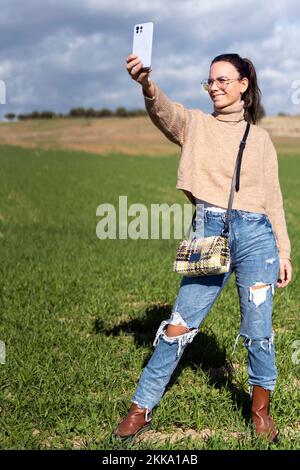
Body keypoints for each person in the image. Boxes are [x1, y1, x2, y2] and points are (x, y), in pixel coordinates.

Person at [114, 52, 293, 445]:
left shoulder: (260, 139)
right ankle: (140, 408)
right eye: (210, 81)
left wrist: (284, 251)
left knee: (259, 332)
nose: (214, 87)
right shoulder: (196, 125)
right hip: (210, 233)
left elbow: (273, 199)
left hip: (257, 238)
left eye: (223, 80)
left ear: (244, 84)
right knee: (178, 326)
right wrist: (146, 83)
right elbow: (164, 112)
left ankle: (260, 411)